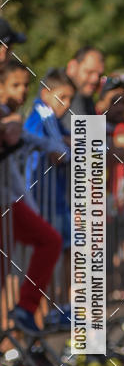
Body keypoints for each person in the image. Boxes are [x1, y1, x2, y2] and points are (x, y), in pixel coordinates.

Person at [0, 59, 63, 335]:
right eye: (15, 85)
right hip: (6, 204)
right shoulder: (7, 117)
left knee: (49, 240)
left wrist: (63, 150)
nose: (22, 91)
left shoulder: (13, 118)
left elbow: (35, 140)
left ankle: (25, 309)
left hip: (10, 203)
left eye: (26, 85)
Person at [24, 68, 75, 328]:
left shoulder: (48, 118)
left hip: (52, 197)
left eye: (69, 99)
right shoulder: (42, 114)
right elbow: (59, 154)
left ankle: (57, 309)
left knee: (66, 250)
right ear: (46, 93)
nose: (66, 105)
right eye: (62, 97)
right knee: (46, 255)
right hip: (39, 199)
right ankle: (41, 315)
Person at [66, 45, 104, 119]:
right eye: (89, 72)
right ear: (72, 67)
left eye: (100, 75)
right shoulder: (58, 91)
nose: (95, 79)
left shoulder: (85, 95)